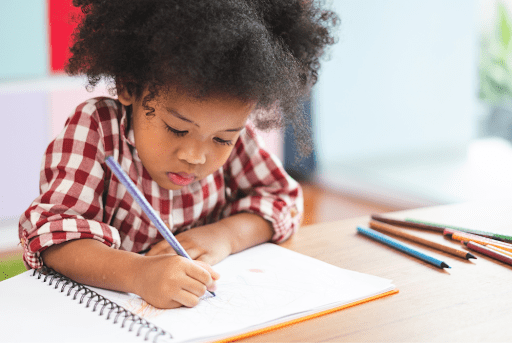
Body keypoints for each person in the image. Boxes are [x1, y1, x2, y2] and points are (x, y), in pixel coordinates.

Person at [19, 0, 338, 309]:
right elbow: (54, 236)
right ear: (129, 87)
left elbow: (282, 198)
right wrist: (138, 273)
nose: (196, 155)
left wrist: (224, 236)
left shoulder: (233, 133)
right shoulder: (97, 129)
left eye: (222, 139)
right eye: (177, 129)